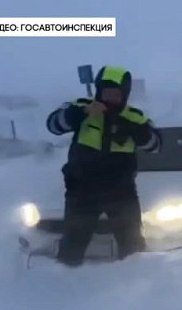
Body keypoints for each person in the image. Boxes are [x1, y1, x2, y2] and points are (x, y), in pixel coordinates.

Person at [45, 65, 161, 266]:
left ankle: (137, 289)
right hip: (81, 193)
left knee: (133, 249)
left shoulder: (135, 117)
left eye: (116, 94)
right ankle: (65, 286)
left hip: (121, 194)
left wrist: (136, 131)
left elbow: (156, 146)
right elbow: (53, 125)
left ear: (124, 95)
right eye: (106, 93)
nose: (110, 98)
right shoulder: (81, 106)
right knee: (71, 248)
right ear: (98, 91)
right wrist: (79, 114)